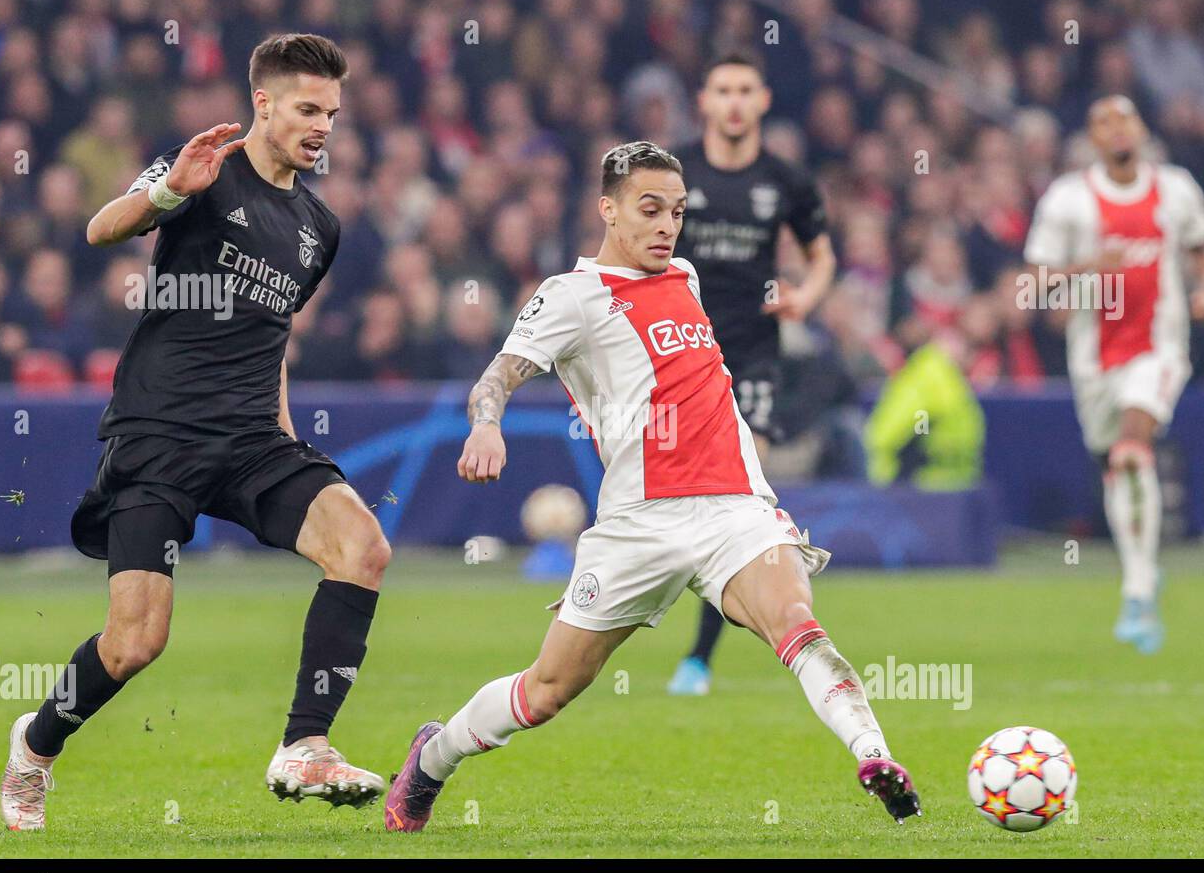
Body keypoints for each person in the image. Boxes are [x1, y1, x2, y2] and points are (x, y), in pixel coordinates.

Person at [383, 141, 920, 833]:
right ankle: (433, 759)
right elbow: (498, 375)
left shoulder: (686, 277)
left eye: (676, 211)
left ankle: (874, 756)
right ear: (607, 210)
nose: (667, 225)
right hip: (638, 524)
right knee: (546, 692)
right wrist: (486, 426)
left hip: (735, 508)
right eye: (650, 210)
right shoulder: (570, 297)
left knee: (797, 622)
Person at [0, 34, 390, 832]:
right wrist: (169, 192)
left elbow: (271, 334)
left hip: (252, 439)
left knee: (363, 548)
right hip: (160, 436)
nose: (323, 126)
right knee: (135, 642)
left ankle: (305, 743)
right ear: (264, 104)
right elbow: (103, 230)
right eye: (308, 109)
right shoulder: (203, 165)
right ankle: (35, 748)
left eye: (332, 113)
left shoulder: (320, 224)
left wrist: (287, 445)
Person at [666, 52, 836, 695]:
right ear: (704, 102)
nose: (734, 102)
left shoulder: (786, 180)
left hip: (754, 355)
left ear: (762, 100)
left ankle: (700, 656)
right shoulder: (674, 172)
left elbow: (821, 256)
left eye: (745, 90)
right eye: (722, 91)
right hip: (681, 351)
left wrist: (807, 298)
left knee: (742, 496)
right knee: (682, 499)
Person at [1023, 95, 1204, 654]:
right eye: (1103, 121)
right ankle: (1141, 579)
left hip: (1159, 347)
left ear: (1141, 128)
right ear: (1092, 138)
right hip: (1093, 360)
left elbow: (1203, 246)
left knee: (1133, 447)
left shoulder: (1176, 188)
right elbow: (1034, 284)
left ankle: (1135, 588)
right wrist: (1089, 267)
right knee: (1117, 462)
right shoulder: (1068, 199)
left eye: (1125, 119)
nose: (1116, 129)